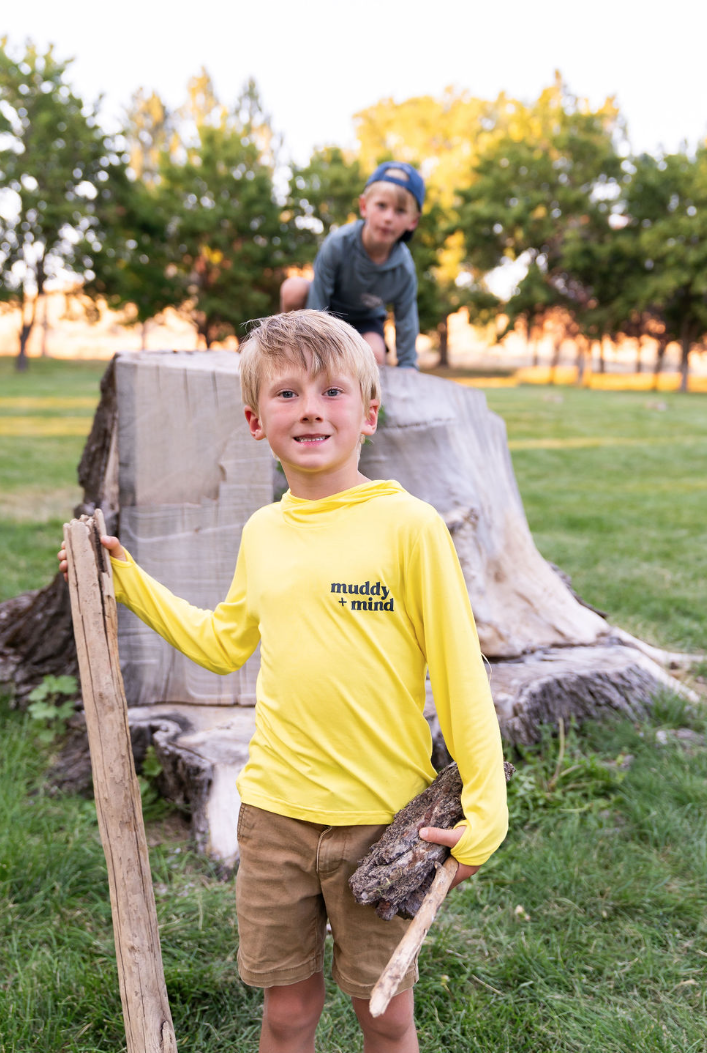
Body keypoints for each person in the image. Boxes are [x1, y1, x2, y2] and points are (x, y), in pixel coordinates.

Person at [58, 310, 508, 1053]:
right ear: (254, 419)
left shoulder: (410, 526)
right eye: (287, 393)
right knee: (288, 1011)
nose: (309, 409)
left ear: (368, 413)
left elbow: (460, 674)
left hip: (381, 819)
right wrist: (128, 581)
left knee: (386, 1015)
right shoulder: (263, 531)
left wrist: (484, 813)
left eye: (332, 392)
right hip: (274, 816)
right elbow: (221, 640)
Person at [280, 161, 424, 369]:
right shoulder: (339, 244)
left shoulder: (404, 270)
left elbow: (407, 321)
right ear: (364, 206)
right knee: (292, 289)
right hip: (326, 309)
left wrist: (408, 366)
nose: (388, 218)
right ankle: (287, 355)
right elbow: (318, 299)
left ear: (413, 221)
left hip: (365, 320)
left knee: (374, 354)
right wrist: (314, 348)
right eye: (381, 206)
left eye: (400, 211)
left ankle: (358, 395)